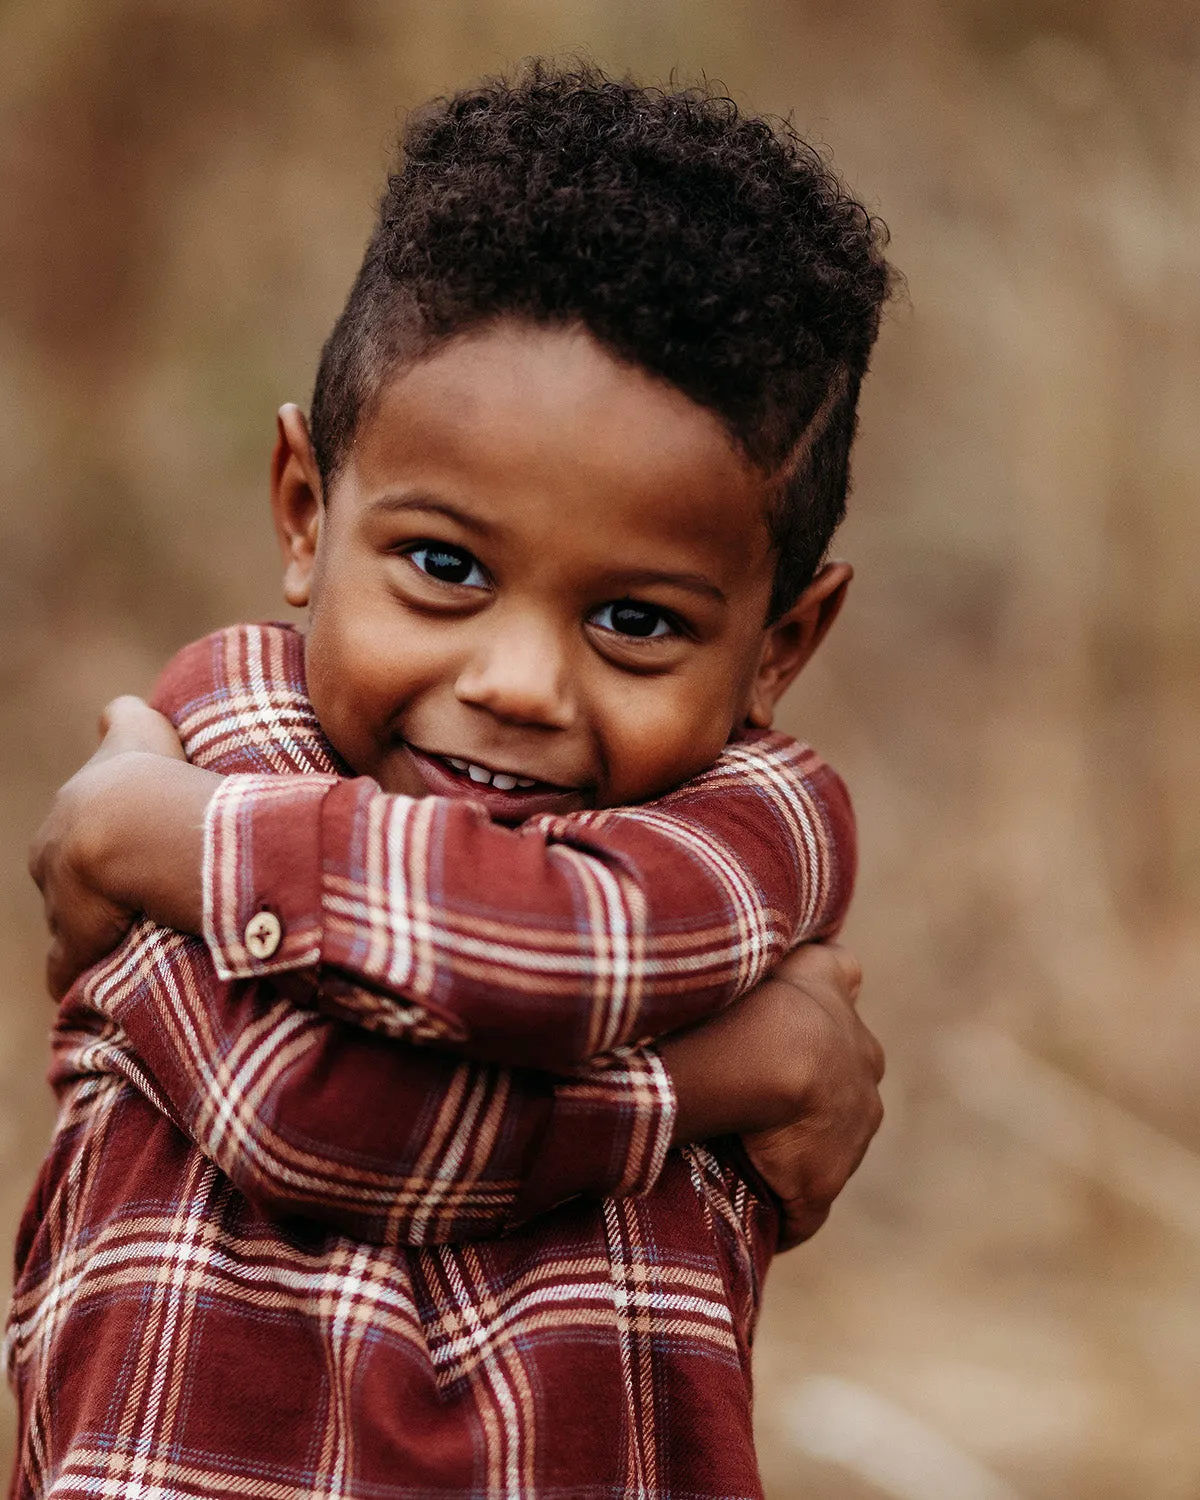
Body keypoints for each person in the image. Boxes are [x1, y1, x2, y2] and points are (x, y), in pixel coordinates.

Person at [13, 63, 890, 1500]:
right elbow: (301, 1100)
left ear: (781, 644)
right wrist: (740, 1068)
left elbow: (488, 995)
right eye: (445, 569)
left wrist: (171, 851)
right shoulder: (222, 721)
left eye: (638, 621)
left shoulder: (757, 823)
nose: (519, 683)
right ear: (307, 511)